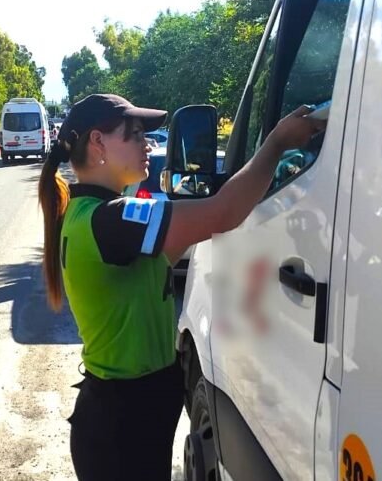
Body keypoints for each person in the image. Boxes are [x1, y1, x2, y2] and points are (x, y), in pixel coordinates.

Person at [37, 94, 323, 481]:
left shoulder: (91, 216)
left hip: (120, 420)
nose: (148, 145)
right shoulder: (112, 220)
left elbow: (180, 244)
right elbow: (222, 212)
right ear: (98, 142)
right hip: (123, 428)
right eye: (135, 134)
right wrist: (274, 144)